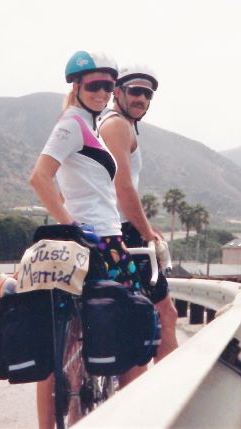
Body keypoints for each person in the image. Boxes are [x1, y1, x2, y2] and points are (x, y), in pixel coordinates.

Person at [29, 50, 145, 429]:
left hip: (102, 235)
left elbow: (68, 185)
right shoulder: (73, 123)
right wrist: (73, 225)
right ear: (77, 86)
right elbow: (40, 177)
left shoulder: (86, 125)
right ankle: (132, 416)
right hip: (100, 240)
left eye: (108, 86)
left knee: (79, 331)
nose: (101, 91)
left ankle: (77, 413)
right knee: (138, 330)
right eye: (94, 84)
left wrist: (72, 217)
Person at [98, 64, 179, 382]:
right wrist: (145, 232)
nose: (142, 98)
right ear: (117, 92)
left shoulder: (107, 122)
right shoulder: (118, 125)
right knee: (162, 314)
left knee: (129, 317)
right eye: (135, 91)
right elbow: (122, 185)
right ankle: (161, 397)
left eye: (148, 93)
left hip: (107, 227)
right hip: (121, 231)